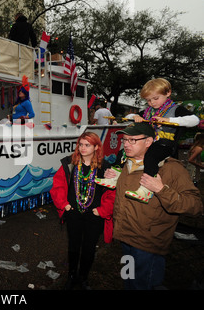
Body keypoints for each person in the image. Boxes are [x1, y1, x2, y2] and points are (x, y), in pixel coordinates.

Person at [108, 122, 202, 290]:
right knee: (128, 280)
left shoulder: (171, 168)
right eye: (124, 140)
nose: (126, 144)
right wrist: (114, 177)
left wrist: (161, 190)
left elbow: (195, 206)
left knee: (143, 285)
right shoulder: (127, 162)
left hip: (147, 246)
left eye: (132, 140)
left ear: (149, 141)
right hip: (124, 237)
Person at [95, 78, 199, 203]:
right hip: (148, 143)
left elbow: (195, 120)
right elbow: (128, 117)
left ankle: (146, 188)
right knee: (124, 150)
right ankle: (115, 176)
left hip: (165, 145)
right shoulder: (149, 111)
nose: (152, 103)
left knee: (150, 156)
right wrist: (135, 116)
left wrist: (169, 120)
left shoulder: (175, 109)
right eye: (148, 100)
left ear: (168, 93)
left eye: (155, 99)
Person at [50, 132, 115, 290]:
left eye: (87, 145)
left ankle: (83, 277)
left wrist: (101, 210)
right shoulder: (70, 163)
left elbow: (112, 193)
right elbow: (57, 186)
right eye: (80, 144)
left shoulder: (105, 167)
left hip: (94, 216)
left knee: (89, 248)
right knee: (73, 246)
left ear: (96, 147)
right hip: (73, 214)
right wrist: (64, 204)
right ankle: (72, 276)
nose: (83, 148)